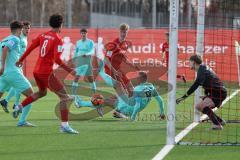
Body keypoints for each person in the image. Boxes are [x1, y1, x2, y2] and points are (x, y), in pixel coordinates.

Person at [15, 14, 78, 134]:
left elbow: (30, 48)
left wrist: (20, 60)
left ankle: (20, 106)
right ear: (61, 25)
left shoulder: (43, 35)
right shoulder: (58, 39)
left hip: (36, 72)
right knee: (65, 97)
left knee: (42, 92)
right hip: (46, 73)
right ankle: (64, 126)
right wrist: (71, 71)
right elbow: (57, 60)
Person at [176, 55, 227, 130]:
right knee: (199, 106)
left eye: (189, 62)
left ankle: (217, 125)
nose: (189, 64)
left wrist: (183, 97)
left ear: (194, 62)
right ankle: (220, 121)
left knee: (201, 106)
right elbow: (208, 83)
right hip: (217, 92)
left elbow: (195, 85)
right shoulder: (203, 68)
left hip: (218, 93)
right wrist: (207, 95)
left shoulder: (201, 71)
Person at [0, 21, 34, 127]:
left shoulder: (4, 39)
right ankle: (22, 120)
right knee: (31, 95)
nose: (22, 31)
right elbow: (6, 49)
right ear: (19, 30)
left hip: (4, 74)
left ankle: (9, 102)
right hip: (12, 72)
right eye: (22, 29)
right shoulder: (15, 39)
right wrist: (3, 66)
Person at [104, 23, 138, 97]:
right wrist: (114, 71)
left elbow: (124, 59)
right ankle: (107, 103)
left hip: (118, 70)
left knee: (131, 90)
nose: (123, 34)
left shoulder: (125, 45)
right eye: (122, 32)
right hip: (110, 71)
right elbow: (106, 59)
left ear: (127, 32)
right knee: (123, 93)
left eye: (125, 32)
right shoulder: (113, 44)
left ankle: (124, 107)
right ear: (119, 31)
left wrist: (134, 66)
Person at [71, 28, 96, 98]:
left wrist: (87, 54)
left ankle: (94, 94)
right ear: (80, 34)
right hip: (80, 62)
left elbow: (92, 51)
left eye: (84, 33)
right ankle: (73, 94)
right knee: (76, 77)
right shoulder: (78, 42)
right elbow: (76, 52)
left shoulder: (90, 42)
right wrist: (73, 61)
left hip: (87, 62)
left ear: (86, 34)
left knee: (91, 78)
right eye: (82, 33)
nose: (83, 34)